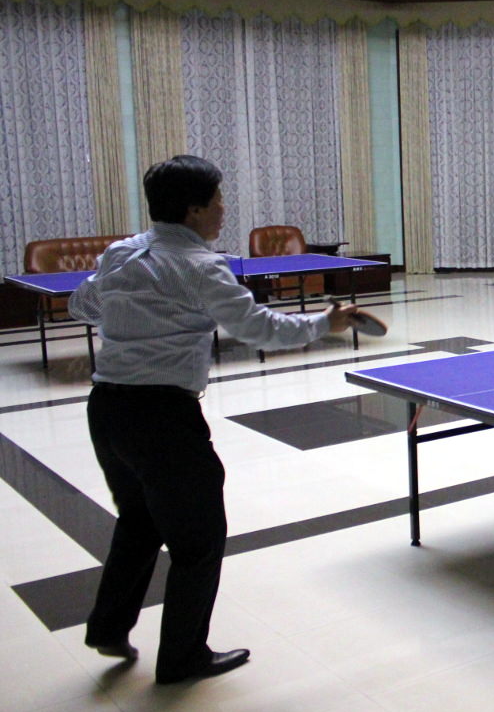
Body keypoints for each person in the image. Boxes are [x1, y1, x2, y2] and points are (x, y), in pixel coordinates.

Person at [69, 155, 358, 685]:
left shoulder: (119, 254)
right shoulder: (202, 267)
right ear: (195, 209)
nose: (224, 209)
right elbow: (260, 329)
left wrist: (135, 313)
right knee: (198, 540)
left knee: (139, 519)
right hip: (162, 417)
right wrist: (325, 322)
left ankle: (108, 627)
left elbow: (81, 306)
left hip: (107, 410)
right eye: (219, 200)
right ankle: (182, 657)